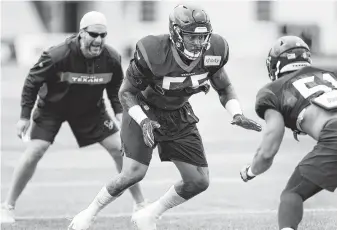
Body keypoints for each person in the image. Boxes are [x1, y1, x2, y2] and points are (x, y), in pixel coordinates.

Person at [69, 5, 261, 230]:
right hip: (143, 109)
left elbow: (224, 86)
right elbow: (126, 93)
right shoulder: (154, 52)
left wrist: (236, 113)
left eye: (202, 37)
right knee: (133, 173)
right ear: (176, 34)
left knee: (199, 181)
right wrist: (143, 121)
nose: (198, 44)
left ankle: (150, 214)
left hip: (178, 112)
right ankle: (89, 214)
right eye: (192, 37)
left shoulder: (214, 51)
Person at [1, 11, 146, 224]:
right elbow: (32, 81)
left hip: (90, 111)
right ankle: (7, 206)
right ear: (81, 33)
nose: (98, 40)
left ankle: (140, 204)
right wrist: (24, 116)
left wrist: (119, 112)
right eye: (93, 34)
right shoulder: (57, 55)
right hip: (52, 109)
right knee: (35, 151)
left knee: (120, 149)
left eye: (103, 35)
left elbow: (116, 87)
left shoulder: (112, 58)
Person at [240, 36, 337, 230]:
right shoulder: (330, 75)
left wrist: (251, 171)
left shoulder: (273, 91)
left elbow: (268, 150)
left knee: (292, 194)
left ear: (275, 65)